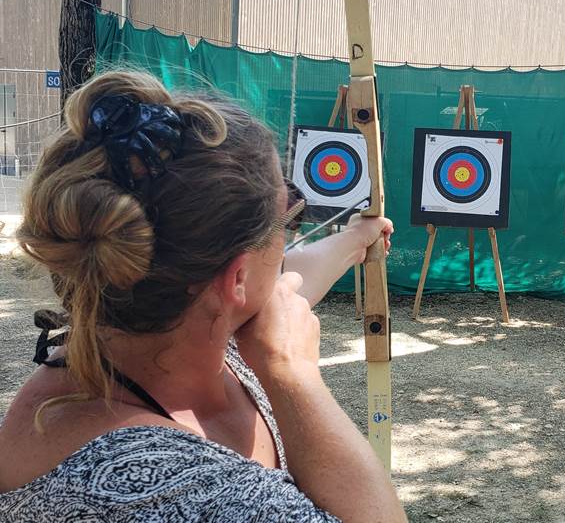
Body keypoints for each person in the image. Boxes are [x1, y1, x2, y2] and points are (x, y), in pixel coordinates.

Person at [0, 71, 407, 522]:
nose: (293, 233)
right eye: (289, 214)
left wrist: (354, 240)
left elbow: (286, 279)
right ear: (235, 278)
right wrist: (295, 376)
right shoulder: (166, 490)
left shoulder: (167, 327)